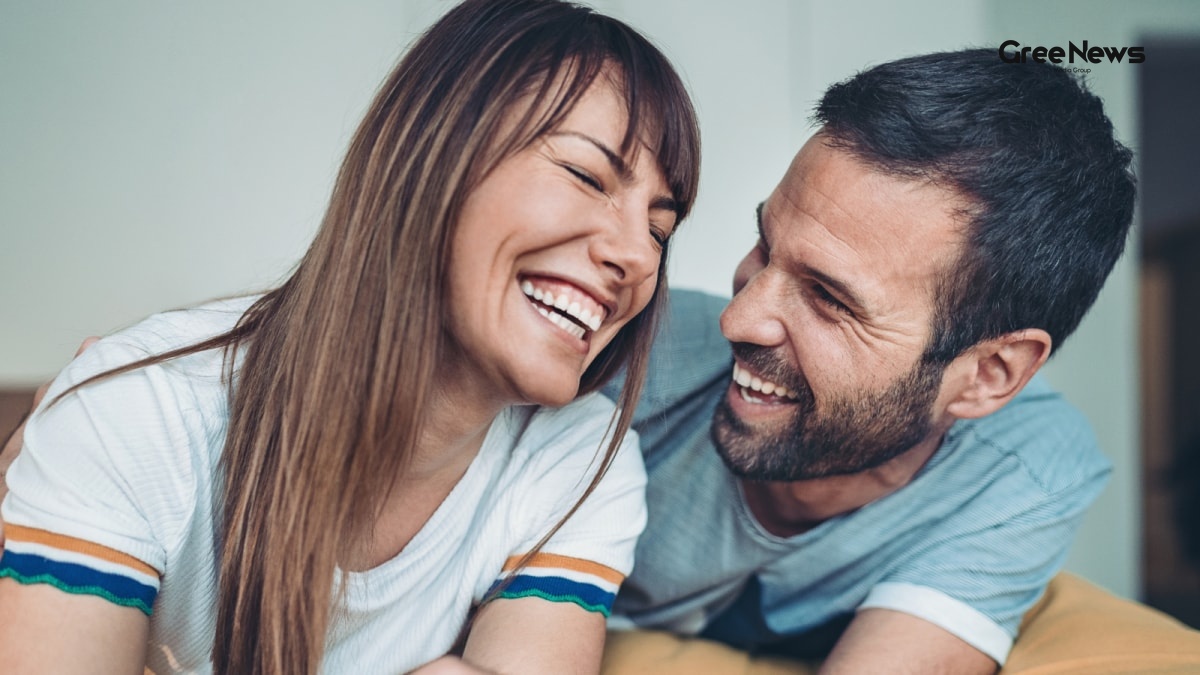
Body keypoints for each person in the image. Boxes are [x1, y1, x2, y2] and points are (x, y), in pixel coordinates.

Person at [0, 0, 700, 673]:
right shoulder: (135, 414)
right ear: (435, 157)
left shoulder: (580, 460)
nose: (638, 257)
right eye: (585, 174)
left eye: (659, 229)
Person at [601, 49, 1134, 673]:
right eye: (764, 246)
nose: (737, 320)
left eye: (829, 299)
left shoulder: (1028, 462)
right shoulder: (618, 359)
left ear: (990, 375)